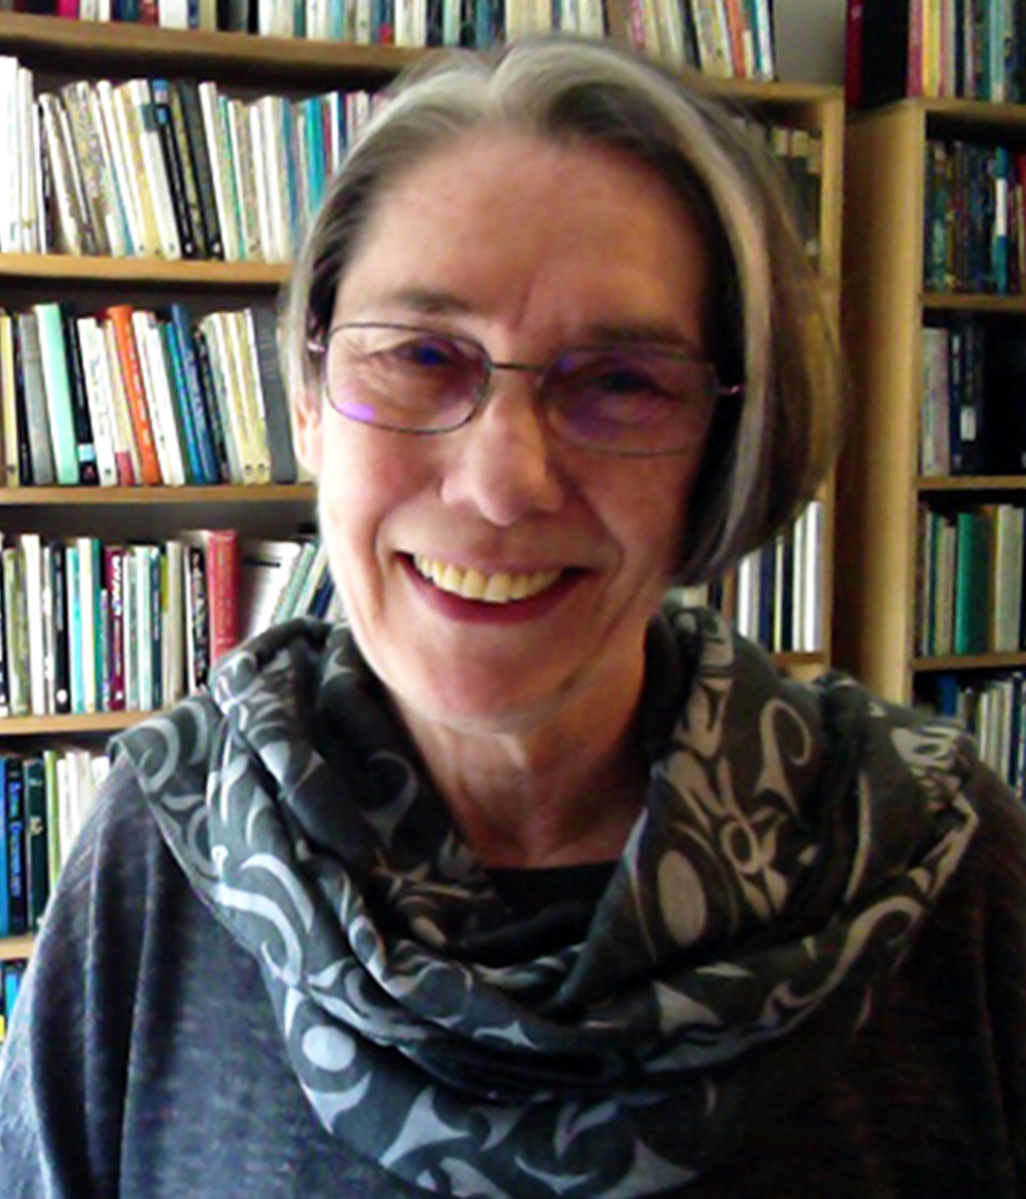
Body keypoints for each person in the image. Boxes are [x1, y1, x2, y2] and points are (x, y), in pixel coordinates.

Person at [2, 34, 1025, 1199]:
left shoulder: (930, 862)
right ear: (309, 399)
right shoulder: (171, 844)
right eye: (423, 355)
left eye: (622, 381)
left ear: (723, 449)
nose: (501, 483)